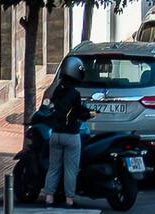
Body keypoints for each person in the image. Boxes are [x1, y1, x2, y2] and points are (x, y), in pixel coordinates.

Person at [41, 55, 90, 207]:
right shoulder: (75, 94)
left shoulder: (56, 91)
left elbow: (51, 108)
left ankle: (49, 197)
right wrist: (88, 114)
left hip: (55, 134)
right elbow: (79, 112)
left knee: (54, 167)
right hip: (71, 136)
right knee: (70, 169)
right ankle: (69, 199)